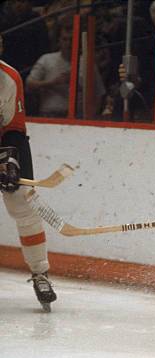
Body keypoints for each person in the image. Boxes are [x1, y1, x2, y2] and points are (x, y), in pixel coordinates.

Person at [0, 49, 57, 312]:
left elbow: (14, 127)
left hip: (5, 137)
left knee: (22, 202)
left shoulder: (9, 77)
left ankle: (40, 273)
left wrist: (9, 159)